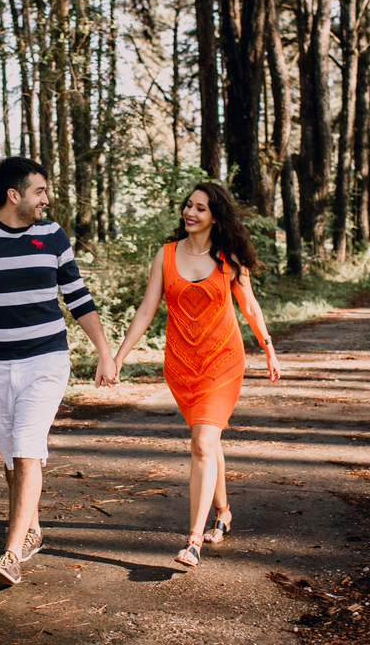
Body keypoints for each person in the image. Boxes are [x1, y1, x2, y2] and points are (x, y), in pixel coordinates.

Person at [0, 156, 118, 586]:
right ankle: (33, 530)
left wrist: (105, 351)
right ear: (13, 195)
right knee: (11, 458)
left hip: (46, 360)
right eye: (40, 191)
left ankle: (11, 553)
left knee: (25, 449)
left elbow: (77, 296)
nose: (47, 199)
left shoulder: (53, 235)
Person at [112, 182, 281, 567]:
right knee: (209, 441)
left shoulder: (229, 258)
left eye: (201, 209)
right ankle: (223, 513)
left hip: (223, 362)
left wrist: (268, 348)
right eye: (188, 205)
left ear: (216, 216)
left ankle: (192, 541)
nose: (191, 213)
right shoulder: (166, 254)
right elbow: (146, 310)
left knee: (203, 442)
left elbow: (250, 308)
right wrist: (120, 356)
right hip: (181, 366)